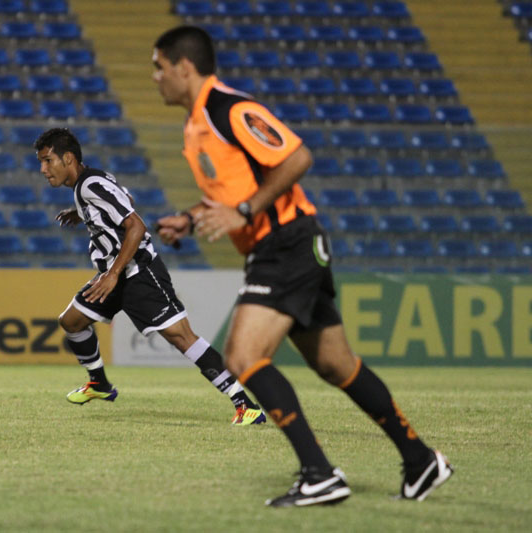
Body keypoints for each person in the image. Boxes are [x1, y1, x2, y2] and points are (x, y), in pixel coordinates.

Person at [151, 26, 453, 506]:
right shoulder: (196, 125)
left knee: (243, 358)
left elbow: (296, 157)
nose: (155, 78)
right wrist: (192, 218)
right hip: (280, 247)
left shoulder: (229, 109)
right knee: (337, 365)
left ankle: (319, 473)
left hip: (286, 243)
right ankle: (420, 461)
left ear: (184, 67)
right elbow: (233, 191)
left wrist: (246, 212)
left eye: (159, 67)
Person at [33, 127, 266, 426]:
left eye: (47, 160)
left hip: (138, 272)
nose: (42, 169)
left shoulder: (89, 185)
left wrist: (114, 273)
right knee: (72, 321)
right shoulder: (89, 182)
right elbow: (124, 197)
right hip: (115, 272)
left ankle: (246, 404)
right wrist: (83, 213)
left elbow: (136, 226)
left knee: (182, 338)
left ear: (68, 158)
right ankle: (100, 385)